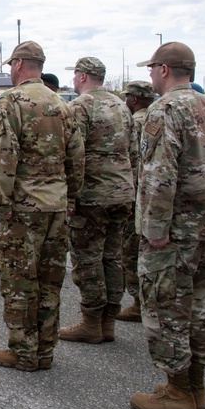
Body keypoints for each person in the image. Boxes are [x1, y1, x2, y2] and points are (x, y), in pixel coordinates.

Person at [129, 42, 205, 409]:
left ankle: (178, 393)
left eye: (153, 67)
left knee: (166, 308)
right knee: (196, 310)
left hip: (173, 231)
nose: (151, 74)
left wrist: (154, 228)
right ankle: (194, 386)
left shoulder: (165, 109)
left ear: (165, 69)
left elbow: (159, 172)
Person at [0, 41, 84, 371]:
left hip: (23, 207)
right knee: (49, 280)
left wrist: (2, 199)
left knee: (19, 279)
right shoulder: (62, 103)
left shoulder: (11, 100)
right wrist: (70, 197)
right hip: (56, 206)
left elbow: (6, 154)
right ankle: (45, 350)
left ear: (18, 64)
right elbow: (77, 157)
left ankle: (22, 351)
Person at [59, 57, 134, 345]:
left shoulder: (81, 106)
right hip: (122, 192)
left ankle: (91, 323)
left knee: (88, 259)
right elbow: (133, 152)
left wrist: (71, 194)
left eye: (76, 74)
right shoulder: (121, 106)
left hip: (93, 195)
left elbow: (74, 153)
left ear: (82, 76)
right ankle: (107, 322)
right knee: (113, 257)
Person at [117, 81, 155, 322]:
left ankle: (139, 301)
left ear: (133, 99)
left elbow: (132, 158)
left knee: (131, 249)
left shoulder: (137, 122)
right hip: (154, 193)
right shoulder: (156, 116)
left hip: (137, 192)